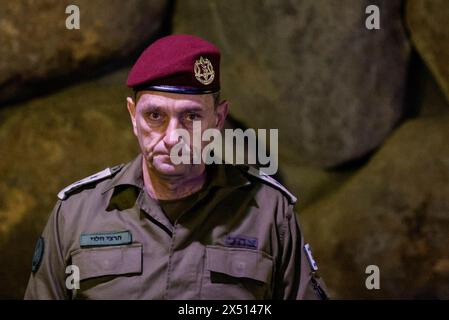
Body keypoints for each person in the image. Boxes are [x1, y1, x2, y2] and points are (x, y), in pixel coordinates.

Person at [24, 34, 328, 300]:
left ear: (218, 120)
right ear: (132, 116)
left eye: (191, 117)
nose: (172, 138)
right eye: (155, 116)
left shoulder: (269, 213)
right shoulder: (77, 213)